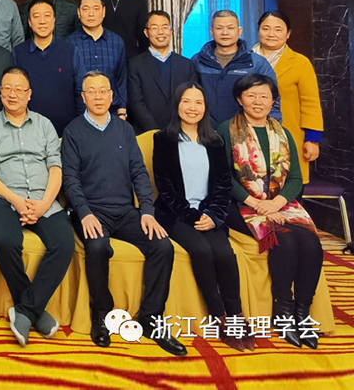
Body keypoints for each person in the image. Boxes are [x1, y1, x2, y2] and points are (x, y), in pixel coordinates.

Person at [62, 72, 186, 356]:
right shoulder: (73, 131)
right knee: (97, 246)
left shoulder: (124, 129)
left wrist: (147, 211)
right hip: (91, 211)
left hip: (125, 211)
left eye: (103, 91)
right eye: (91, 92)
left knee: (162, 246)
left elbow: (139, 172)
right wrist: (84, 212)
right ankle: (102, 315)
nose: (97, 97)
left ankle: (151, 317)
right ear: (83, 97)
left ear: (111, 95)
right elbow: (70, 179)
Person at [217, 74, 323, 349]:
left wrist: (276, 203)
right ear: (239, 99)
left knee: (311, 243)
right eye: (251, 95)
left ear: (273, 100)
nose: (258, 101)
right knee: (284, 240)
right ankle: (283, 312)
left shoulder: (283, 132)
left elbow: (296, 178)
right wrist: (257, 204)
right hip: (240, 205)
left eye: (264, 96)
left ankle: (303, 313)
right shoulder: (226, 129)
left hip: (280, 203)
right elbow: (222, 177)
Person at [153, 82, 251, 351]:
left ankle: (236, 316)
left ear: (205, 107)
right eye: (186, 101)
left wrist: (212, 215)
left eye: (198, 102)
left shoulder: (215, 141)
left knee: (225, 254)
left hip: (210, 213)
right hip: (176, 214)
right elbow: (165, 187)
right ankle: (218, 315)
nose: (192, 108)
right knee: (201, 250)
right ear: (177, 105)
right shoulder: (163, 139)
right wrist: (192, 214)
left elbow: (223, 184)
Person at [0, 67, 74, 347]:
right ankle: (34, 310)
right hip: (6, 198)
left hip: (43, 199)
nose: (13, 94)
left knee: (64, 243)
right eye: (7, 88)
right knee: (5, 241)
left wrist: (44, 204)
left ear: (29, 94)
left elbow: (56, 168)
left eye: (19, 89)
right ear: (0, 92)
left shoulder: (45, 125)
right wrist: (15, 200)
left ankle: (24, 310)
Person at [253, 11, 323, 184]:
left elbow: (311, 103)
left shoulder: (300, 62)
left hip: (288, 134)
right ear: (258, 30)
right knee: (253, 183)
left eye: (278, 29)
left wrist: (313, 139)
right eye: (266, 28)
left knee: (287, 185)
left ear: (288, 33)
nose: (271, 34)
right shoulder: (244, 59)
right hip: (250, 135)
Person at [192, 10, 280, 125]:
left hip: (245, 130)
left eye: (230, 28)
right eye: (219, 28)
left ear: (239, 31)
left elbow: (273, 100)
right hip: (205, 129)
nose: (225, 33)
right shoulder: (198, 61)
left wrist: (271, 127)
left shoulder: (256, 63)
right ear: (211, 31)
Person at [13, 0, 79, 136]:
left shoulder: (70, 51)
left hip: (67, 131)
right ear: (29, 22)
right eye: (36, 16)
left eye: (47, 16)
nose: (42, 21)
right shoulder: (18, 53)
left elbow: (80, 90)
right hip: (29, 132)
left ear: (54, 20)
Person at [127, 11, 200, 133]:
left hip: (181, 132)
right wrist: (155, 131)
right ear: (146, 32)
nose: (160, 32)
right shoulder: (135, 64)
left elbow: (192, 99)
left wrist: (179, 128)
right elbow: (136, 102)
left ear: (171, 31)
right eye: (154, 28)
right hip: (147, 132)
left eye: (165, 27)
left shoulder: (187, 65)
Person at [70, 0, 128, 120]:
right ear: (78, 12)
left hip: (112, 113)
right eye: (86, 9)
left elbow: (121, 79)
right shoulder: (69, 44)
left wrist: (122, 112)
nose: (91, 14)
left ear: (103, 11)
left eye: (96, 9)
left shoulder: (116, 42)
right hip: (79, 114)